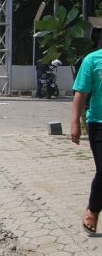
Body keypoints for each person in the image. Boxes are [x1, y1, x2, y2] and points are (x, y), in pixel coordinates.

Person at [71, 48, 102, 236]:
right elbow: (81, 93)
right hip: (99, 123)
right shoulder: (92, 59)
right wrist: (74, 123)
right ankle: (93, 209)